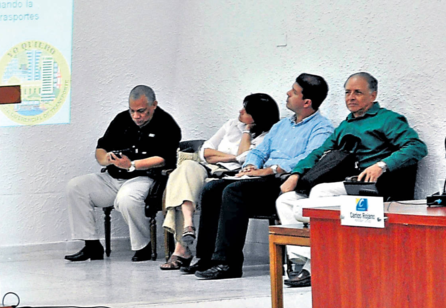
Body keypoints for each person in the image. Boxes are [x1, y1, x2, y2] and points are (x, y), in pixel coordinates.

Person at [275, 72, 428, 287]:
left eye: (358, 92)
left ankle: (314, 266)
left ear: (373, 95)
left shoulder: (388, 119)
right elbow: (318, 153)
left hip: (374, 188)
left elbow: (417, 147)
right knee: (286, 200)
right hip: (344, 185)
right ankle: (302, 261)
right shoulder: (345, 125)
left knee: (319, 193)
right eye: (347, 92)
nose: (351, 98)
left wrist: (381, 165)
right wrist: (296, 174)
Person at [193, 74, 333, 280]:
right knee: (212, 188)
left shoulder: (322, 128)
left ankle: (227, 263)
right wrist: (251, 165)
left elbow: (309, 158)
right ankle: (206, 258)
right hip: (261, 180)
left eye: (294, 92)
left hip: (284, 182)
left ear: (306, 102)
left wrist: (271, 169)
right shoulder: (282, 125)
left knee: (234, 191)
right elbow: (259, 151)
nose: (288, 93)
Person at [160, 93, 279, 270]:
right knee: (184, 169)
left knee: (198, 188)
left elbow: (246, 159)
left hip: (231, 175)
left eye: (246, 110)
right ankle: (188, 225)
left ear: (257, 117)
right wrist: (233, 157)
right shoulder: (231, 125)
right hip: (210, 168)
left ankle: (182, 249)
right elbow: (205, 152)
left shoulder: (268, 135)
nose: (240, 111)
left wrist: (246, 133)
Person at [65, 85, 181, 262]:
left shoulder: (167, 124)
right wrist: (106, 159)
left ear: (154, 105)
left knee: (127, 198)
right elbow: (101, 147)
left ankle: (143, 246)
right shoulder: (121, 119)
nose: (136, 116)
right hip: (113, 176)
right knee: (76, 187)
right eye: (132, 111)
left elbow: (164, 159)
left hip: (143, 177)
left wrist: (132, 165)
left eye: (141, 111)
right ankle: (92, 245)